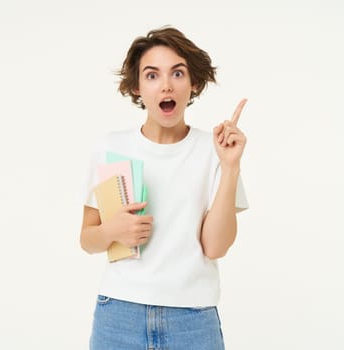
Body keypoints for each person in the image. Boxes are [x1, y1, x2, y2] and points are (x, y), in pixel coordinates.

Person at [80, 26, 249, 349]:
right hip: (119, 315)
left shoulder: (213, 150)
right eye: (152, 75)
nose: (166, 85)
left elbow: (216, 248)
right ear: (137, 87)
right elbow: (87, 240)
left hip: (193, 319)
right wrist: (112, 231)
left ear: (193, 83)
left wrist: (230, 167)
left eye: (178, 73)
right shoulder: (110, 147)